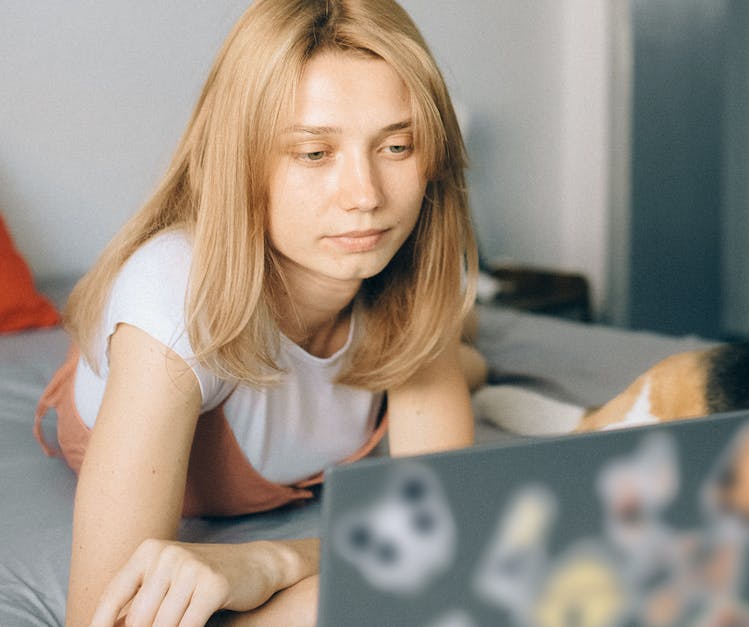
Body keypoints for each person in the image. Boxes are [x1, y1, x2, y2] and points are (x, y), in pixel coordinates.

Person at [33, 1, 485, 624]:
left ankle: (468, 357)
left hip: (351, 351)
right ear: (242, 159)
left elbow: (444, 532)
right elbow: (102, 616)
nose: (366, 198)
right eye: (313, 153)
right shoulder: (174, 300)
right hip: (160, 382)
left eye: (398, 146)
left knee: (456, 350)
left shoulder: (412, 262)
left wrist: (276, 561)